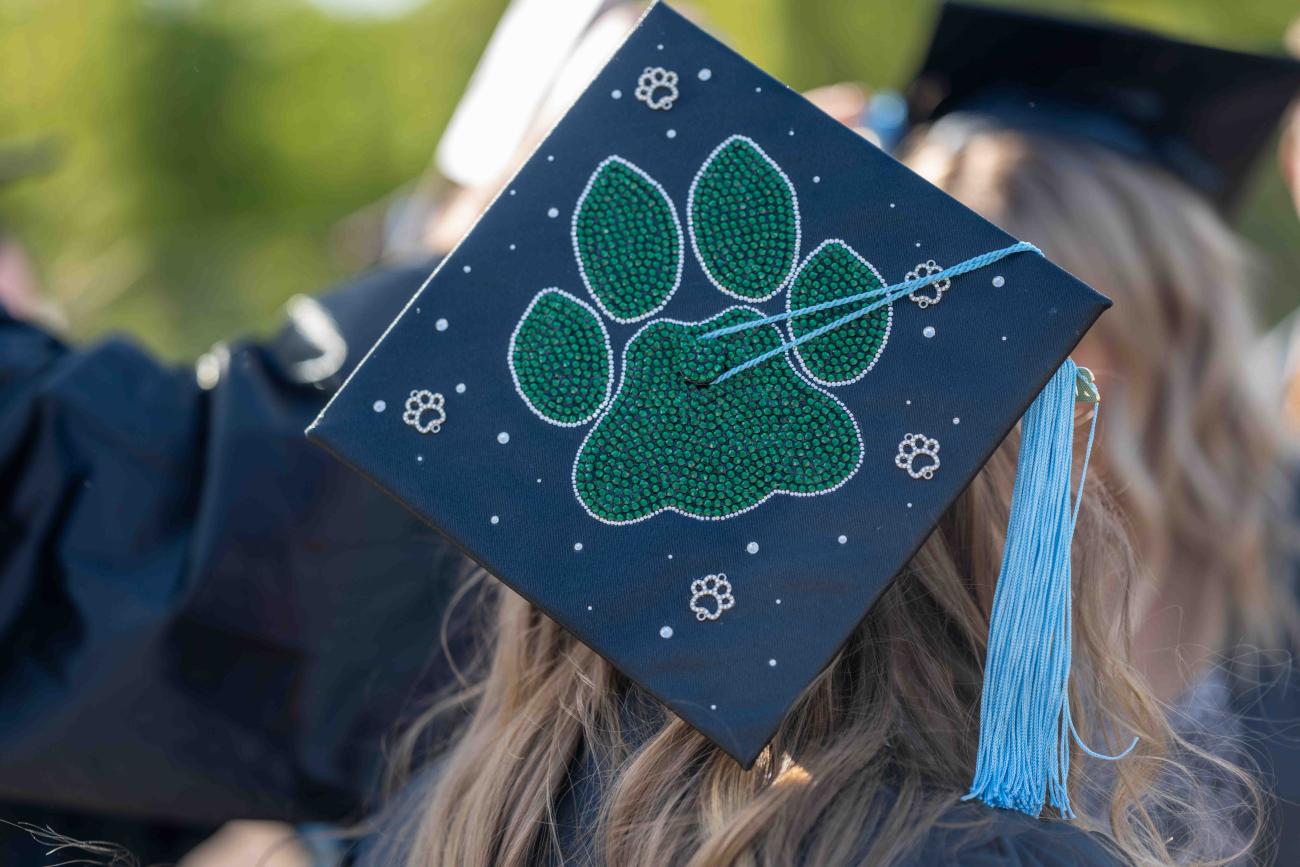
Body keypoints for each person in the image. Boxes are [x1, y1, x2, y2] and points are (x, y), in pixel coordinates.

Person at [894, 3, 1300, 860]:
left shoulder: (1283, 553)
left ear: (1167, 324)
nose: (988, 373)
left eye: (1043, 325)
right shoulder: (887, 579)